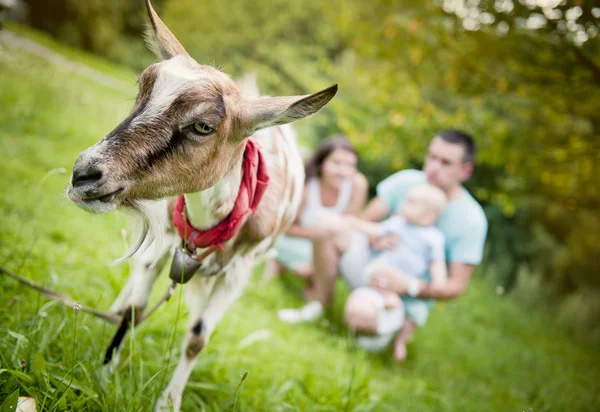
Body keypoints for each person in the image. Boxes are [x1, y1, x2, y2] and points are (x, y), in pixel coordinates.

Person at [277, 129, 488, 362]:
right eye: (431, 157)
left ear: (466, 171)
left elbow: (455, 287)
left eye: (445, 162)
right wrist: (374, 237)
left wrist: (409, 286)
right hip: (371, 266)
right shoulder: (407, 181)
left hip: (403, 294)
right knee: (328, 223)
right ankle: (318, 303)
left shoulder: (472, 220)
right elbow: (363, 223)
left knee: (359, 316)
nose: (433, 167)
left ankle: (382, 328)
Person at [343, 183, 448, 357]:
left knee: (417, 314)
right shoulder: (399, 223)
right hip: (385, 272)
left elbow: (437, 262)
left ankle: (401, 341)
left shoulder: (434, 239)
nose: (403, 205)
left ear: (428, 215)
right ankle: (385, 299)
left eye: (411, 203)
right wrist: (355, 223)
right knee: (376, 273)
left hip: (408, 280)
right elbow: (376, 230)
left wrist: (439, 280)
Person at [269, 135, 368, 288]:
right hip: (296, 239)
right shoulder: (306, 189)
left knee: (335, 265)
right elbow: (287, 228)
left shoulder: (357, 185)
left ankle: (317, 295)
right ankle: (279, 265)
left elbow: (350, 222)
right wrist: (322, 234)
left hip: (331, 242)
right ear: (322, 163)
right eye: (337, 163)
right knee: (311, 270)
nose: (344, 171)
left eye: (350, 165)